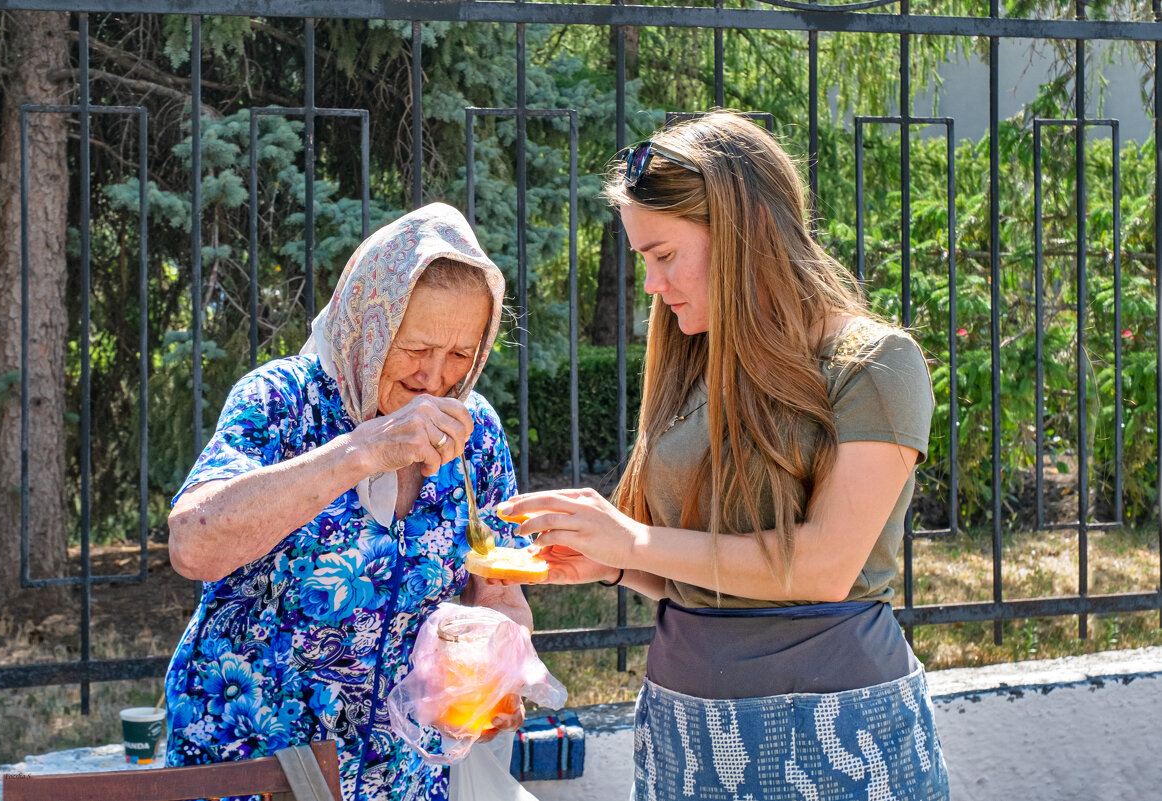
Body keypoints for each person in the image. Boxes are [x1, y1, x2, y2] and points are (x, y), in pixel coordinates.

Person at [498, 113, 951, 799]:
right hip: (686, 731)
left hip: (838, 734)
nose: (650, 284)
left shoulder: (875, 364)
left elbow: (825, 566)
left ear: (744, 233)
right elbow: (694, 568)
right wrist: (618, 561)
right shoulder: (694, 357)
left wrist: (640, 540)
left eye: (663, 255)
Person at [164, 203, 531, 801]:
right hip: (254, 768)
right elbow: (193, 545)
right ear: (368, 323)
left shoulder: (475, 432)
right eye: (416, 348)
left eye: (462, 354)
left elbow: (500, 597)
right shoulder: (282, 401)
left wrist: (498, 668)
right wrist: (358, 452)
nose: (435, 378)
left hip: (402, 780)